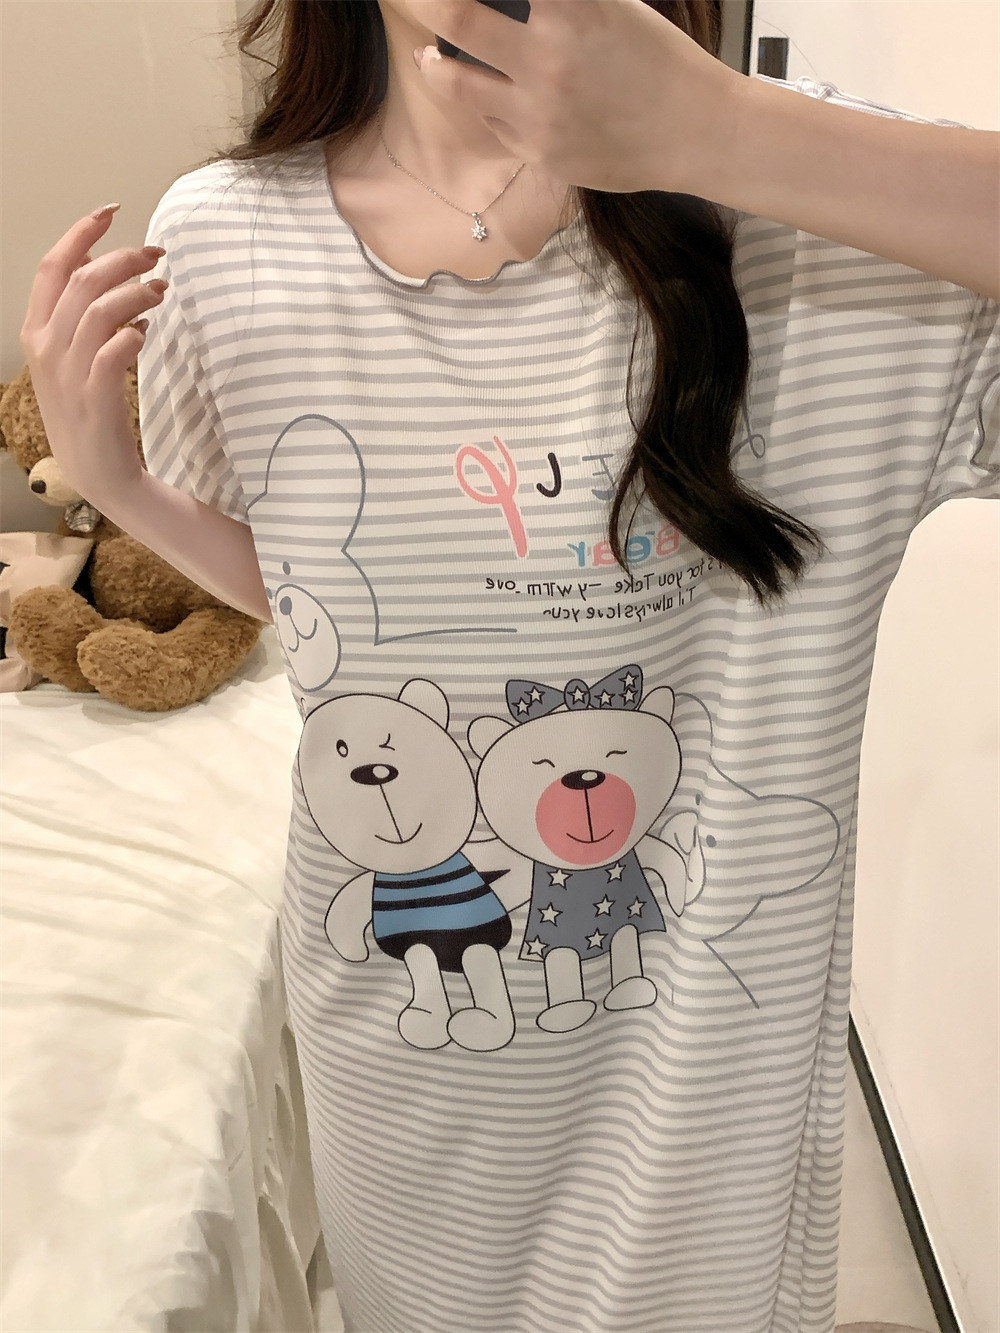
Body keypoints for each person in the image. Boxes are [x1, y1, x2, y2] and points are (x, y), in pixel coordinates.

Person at [20, 1, 998, 1329]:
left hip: (705, 1123)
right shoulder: (228, 239)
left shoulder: (812, 218)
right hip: (404, 1069)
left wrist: (723, 132)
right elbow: (330, 605)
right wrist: (124, 486)